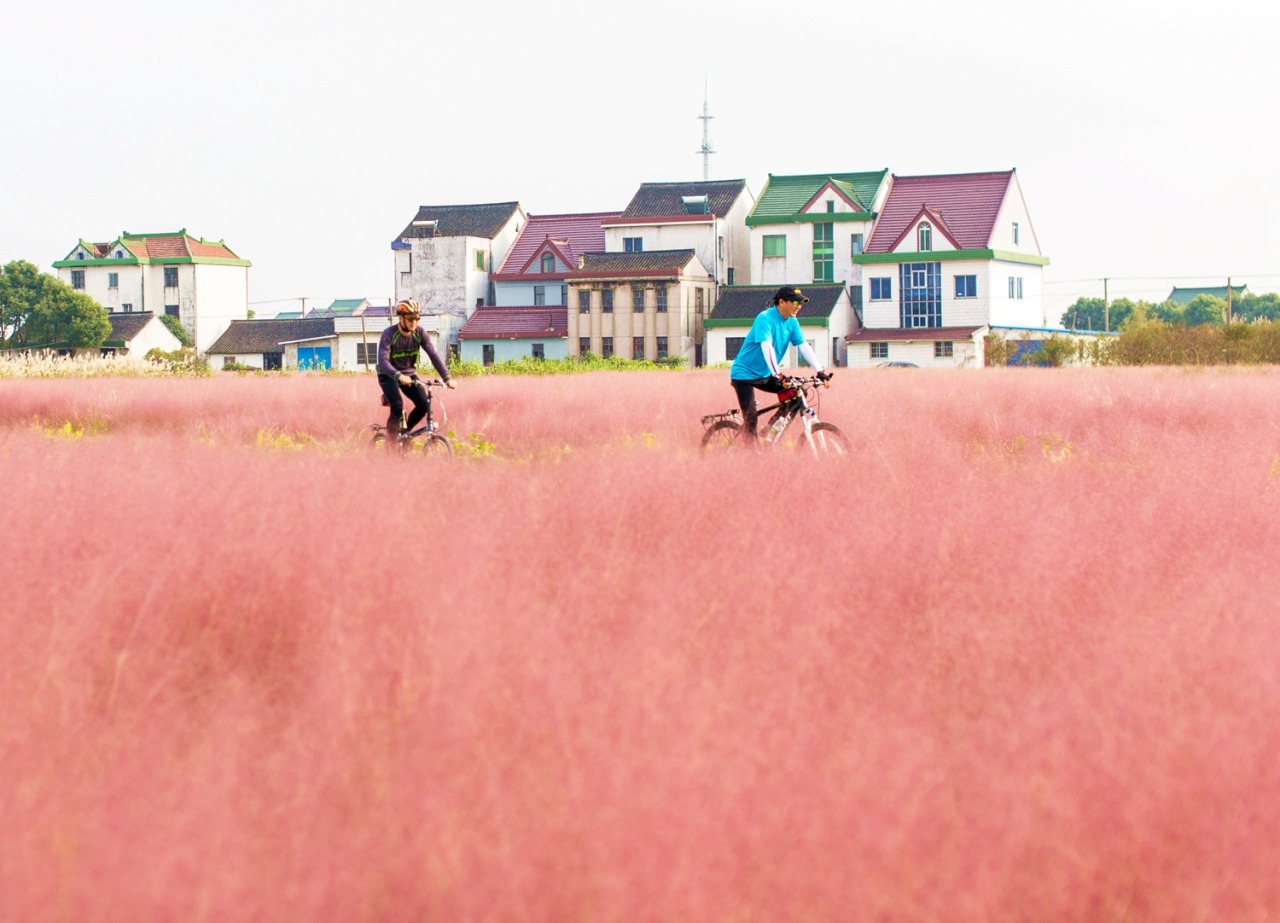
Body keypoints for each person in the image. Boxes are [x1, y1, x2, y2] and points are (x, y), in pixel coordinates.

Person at [728, 285, 831, 443]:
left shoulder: (792, 322)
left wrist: (820, 371)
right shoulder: (765, 318)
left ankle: (768, 433)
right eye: (795, 302)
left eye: (801, 303)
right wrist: (778, 374)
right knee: (751, 419)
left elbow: (803, 346)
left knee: (798, 394)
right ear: (782, 302)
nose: (799, 306)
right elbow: (766, 347)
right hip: (744, 375)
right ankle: (750, 456)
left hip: (765, 374)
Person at [376, 299, 456, 444]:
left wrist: (446, 377)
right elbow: (383, 361)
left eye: (417, 318)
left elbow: (433, 355)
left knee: (424, 405)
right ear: (401, 318)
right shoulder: (389, 334)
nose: (415, 322)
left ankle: (405, 434)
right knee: (397, 405)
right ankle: (390, 444)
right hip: (388, 374)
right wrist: (398, 375)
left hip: (409, 374)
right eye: (411, 319)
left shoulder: (420, 333)